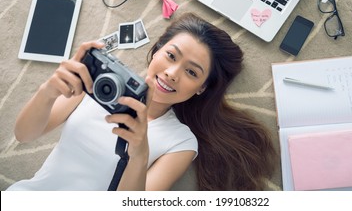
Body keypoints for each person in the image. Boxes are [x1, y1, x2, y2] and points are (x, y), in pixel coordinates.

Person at [7, 12, 276, 191]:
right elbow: (23, 134)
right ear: (156, 50)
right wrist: (48, 90)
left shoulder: (180, 142)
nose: (172, 73)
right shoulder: (100, 84)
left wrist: (139, 151)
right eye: (171, 56)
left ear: (201, 89)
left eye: (191, 72)